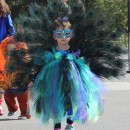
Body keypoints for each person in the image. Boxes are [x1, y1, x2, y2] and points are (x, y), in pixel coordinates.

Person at [30, 17, 105, 130]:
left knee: (74, 98)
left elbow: (83, 65)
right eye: (59, 34)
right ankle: (57, 125)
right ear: (54, 36)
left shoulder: (75, 50)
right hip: (53, 81)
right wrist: (33, 79)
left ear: (71, 35)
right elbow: (42, 66)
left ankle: (70, 124)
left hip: (73, 80)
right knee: (55, 100)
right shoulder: (50, 51)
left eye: (67, 33)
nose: (63, 37)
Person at [0, 0, 15, 116]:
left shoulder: (5, 15)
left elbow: (11, 31)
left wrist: (8, 43)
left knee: (2, 78)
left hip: (2, 49)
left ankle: (3, 104)